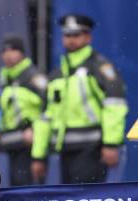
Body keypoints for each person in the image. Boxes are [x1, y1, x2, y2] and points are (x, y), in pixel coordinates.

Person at [31, 14, 128, 184]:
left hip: (92, 150)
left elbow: (115, 106)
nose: (71, 39)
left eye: (76, 35)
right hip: (65, 151)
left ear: (88, 37)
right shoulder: (57, 74)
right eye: (67, 35)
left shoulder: (99, 67)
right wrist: (38, 155)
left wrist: (111, 145)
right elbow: (45, 117)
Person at [0, 35, 47, 186]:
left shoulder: (33, 77)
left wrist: (34, 131)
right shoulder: (6, 79)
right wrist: (1, 129)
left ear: (23, 53)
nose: (9, 54)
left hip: (32, 144)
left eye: (14, 50)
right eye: (5, 51)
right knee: (17, 188)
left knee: (30, 192)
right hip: (15, 143)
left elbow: (48, 110)